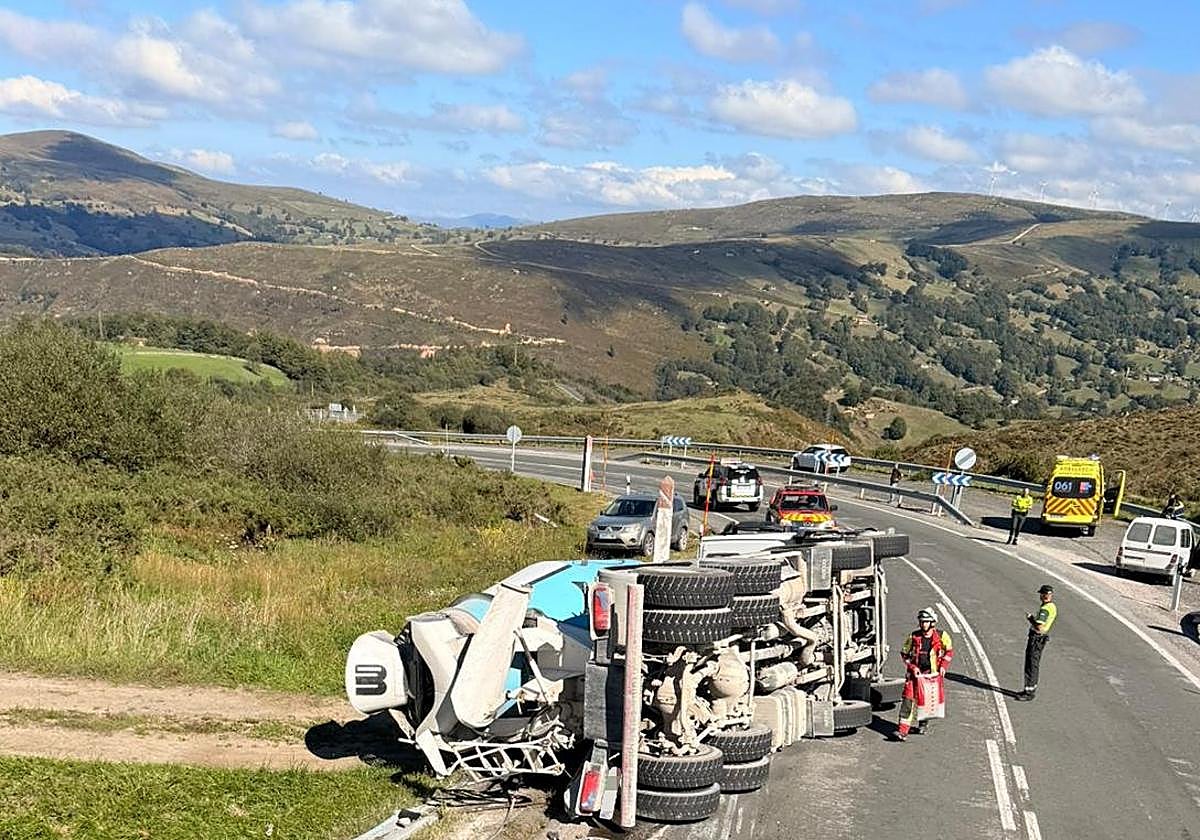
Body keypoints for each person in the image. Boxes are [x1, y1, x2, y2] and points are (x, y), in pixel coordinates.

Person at [895, 607, 954, 741]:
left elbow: (949, 651)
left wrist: (943, 666)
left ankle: (923, 723)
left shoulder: (942, 636)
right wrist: (912, 667)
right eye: (921, 622)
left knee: (926, 701)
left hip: (931, 677)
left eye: (926, 622)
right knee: (907, 701)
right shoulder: (913, 636)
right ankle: (902, 731)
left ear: (933, 623)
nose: (923, 624)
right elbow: (905, 654)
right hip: (914, 676)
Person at [1017, 584, 1057, 701]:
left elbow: (1039, 627)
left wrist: (1031, 619)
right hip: (1041, 638)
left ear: (1043, 595)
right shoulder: (1052, 607)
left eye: (1041, 594)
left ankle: (1029, 692)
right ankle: (1029, 689)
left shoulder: (1045, 609)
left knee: (1031, 665)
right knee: (1033, 664)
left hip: (1036, 638)